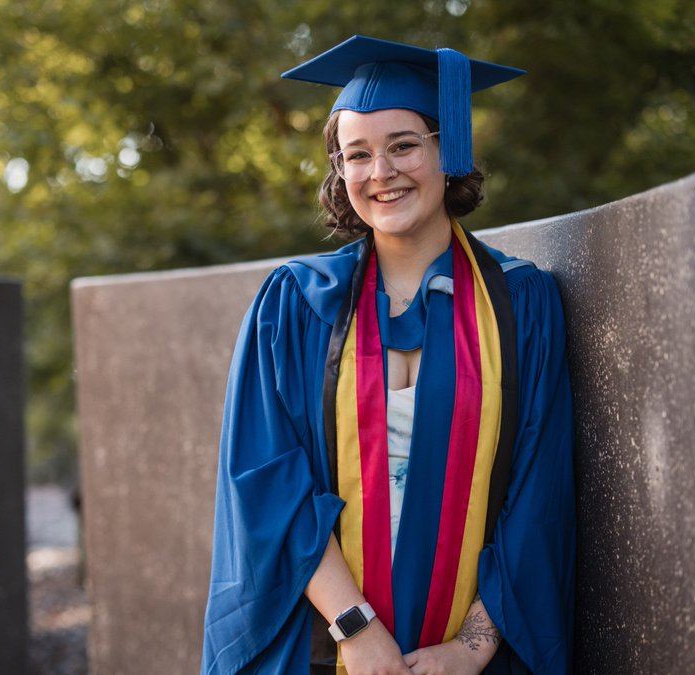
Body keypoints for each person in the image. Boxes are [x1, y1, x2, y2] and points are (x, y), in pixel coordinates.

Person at [202, 35, 574, 675]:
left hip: (470, 656)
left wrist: (472, 648)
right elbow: (267, 484)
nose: (381, 173)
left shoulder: (520, 302)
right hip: (322, 644)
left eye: (403, 146)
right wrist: (356, 629)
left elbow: (537, 491)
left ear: (447, 148)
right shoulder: (295, 303)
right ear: (339, 173)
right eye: (357, 155)